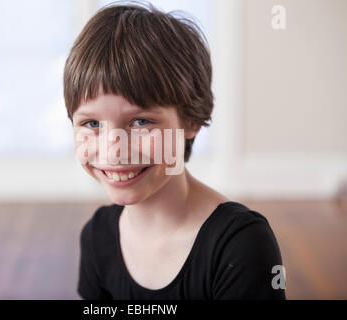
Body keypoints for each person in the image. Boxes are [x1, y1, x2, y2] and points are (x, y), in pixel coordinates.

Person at [63, 2, 286, 300]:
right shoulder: (96, 237)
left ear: (191, 120)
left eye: (141, 121)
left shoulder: (241, 244)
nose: (113, 151)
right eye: (91, 123)